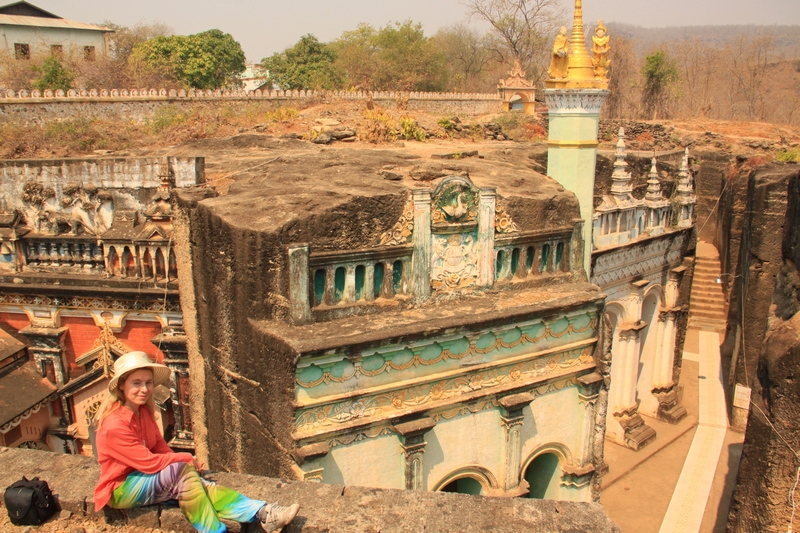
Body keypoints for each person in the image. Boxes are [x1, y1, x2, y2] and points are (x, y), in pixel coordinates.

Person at [93, 351, 300, 533]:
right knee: (182, 473)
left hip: (148, 479)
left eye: (148, 383)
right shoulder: (114, 424)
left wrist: (182, 463)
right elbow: (148, 461)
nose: (144, 389)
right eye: (136, 383)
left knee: (198, 486)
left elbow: (160, 447)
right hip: (121, 488)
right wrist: (186, 459)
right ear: (122, 385)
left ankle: (263, 513)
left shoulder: (143, 412)